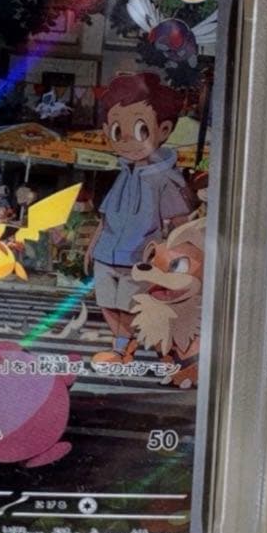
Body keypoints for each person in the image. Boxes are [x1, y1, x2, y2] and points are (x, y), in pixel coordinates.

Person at [85, 73, 192, 365]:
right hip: (107, 253)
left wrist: (179, 259)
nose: (128, 140)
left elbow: (180, 222)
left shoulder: (165, 179)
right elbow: (106, 216)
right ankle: (122, 349)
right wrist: (92, 246)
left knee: (134, 306)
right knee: (107, 302)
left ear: (164, 129)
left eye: (141, 129)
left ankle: (161, 352)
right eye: (117, 131)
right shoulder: (123, 172)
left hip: (139, 258)